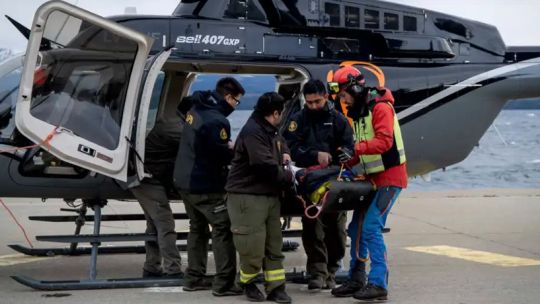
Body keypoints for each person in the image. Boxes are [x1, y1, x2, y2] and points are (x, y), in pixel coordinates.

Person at [329, 66, 408, 301]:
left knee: (371, 227)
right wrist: (349, 157)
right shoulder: (361, 112)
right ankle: (357, 278)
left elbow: (383, 142)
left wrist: (355, 149)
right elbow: (364, 148)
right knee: (356, 229)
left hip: (390, 179)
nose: (342, 101)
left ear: (354, 88)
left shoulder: (381, 108)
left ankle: (378, 284)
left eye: (344, 95)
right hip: (373, 181)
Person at [174, 77, 245, 296]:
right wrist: (234, 150)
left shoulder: (196, 106)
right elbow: (219, 155)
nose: (235, 106)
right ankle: (224, 283)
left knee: (197, 228)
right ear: (227, 97)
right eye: (236, 102)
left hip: (183, 181)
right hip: (204, 185)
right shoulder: (217, 121)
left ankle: (193, 278)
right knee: (223, 229)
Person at [282, 79, 354, 291]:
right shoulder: (298, 119)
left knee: (337, 231)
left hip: (334, 181)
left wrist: (342, 155)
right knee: (313, 228)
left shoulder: (339, 121)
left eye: (317, 101)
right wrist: (314, 155)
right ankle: (317, 271)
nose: (313, 106)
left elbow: (350, 148)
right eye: (309, 102)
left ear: (325, 96)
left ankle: (332, 269)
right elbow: (291, 148)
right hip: (310, 183)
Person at [226, 92, 294, 303]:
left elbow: (280, 142)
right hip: (248, 196)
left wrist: (285, 153)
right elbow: (263, 165)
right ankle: (249, 283)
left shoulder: (268, 129)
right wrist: (290, 176)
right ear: (275, 113)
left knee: (274, 244)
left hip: (268, 195)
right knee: (251, 246)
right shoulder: (253, 131)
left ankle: (276, 287)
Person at [130, 99, 193, 279]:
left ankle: (151, 267)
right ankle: (172, 269)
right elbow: (194, 146)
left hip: (150, 177)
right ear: (190, 113)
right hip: (147, 179)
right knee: (165, 223)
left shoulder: (174, 124)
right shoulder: (175, 128)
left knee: (154, 225)